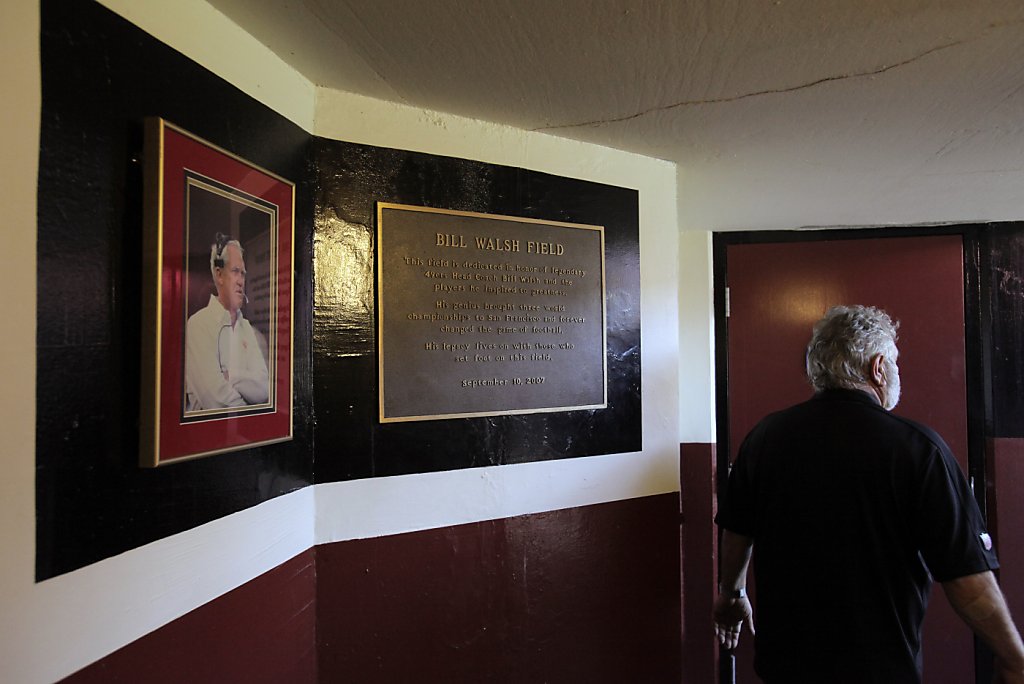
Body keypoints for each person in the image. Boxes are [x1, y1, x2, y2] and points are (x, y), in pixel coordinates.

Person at [713, 305, 1024, 683]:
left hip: (784, 667)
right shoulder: (918, 449)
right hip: (879, 670)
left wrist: (732, 595)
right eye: (894, 362)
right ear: (878, 368)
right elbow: (968, 581)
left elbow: (737, 532)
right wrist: (1013, 656)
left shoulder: (764, 438)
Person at [184, 233, 269, 412]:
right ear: (219, 275)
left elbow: (263, 390)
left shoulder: (247, 329)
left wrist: (231, 376)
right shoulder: (198, 326)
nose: (241, 281)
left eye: (243, 274)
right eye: (235, 271)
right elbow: (215, 401)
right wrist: (251, 410)